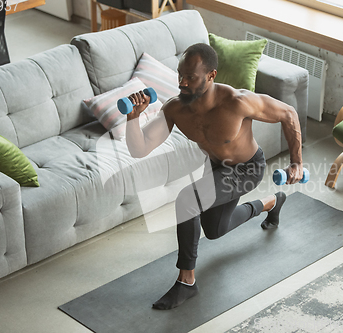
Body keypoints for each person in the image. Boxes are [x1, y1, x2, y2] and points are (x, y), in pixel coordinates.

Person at [125, 43, 304, 310]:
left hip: (247, 169)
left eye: (191, 77)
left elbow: (288, 113)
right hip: (218, 167)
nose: (182, 83)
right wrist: (132, 118)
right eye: (180, 74)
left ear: (211, 75)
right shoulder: (176, 109)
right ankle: (272, 203)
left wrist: (297, 162)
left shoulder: (238, 102)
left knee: (187, 200)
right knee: (215, 230)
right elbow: (139, 149)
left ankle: (186, 282)